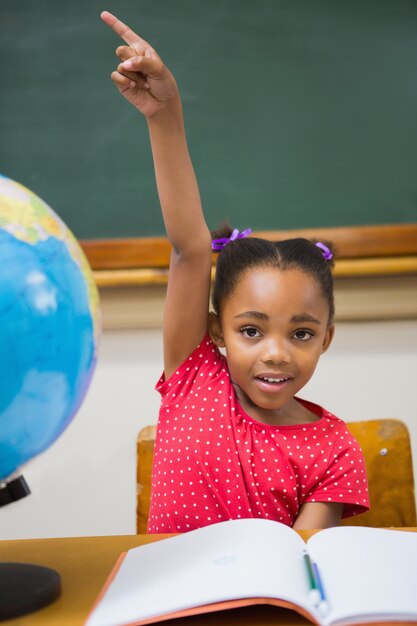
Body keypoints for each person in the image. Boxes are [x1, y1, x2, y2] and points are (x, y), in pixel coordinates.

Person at [101, 11, 369, 532]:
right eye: (250, 330)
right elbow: (189, 248)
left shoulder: (335, 448)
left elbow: (302, 566)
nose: (276, 351)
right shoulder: (193, 375)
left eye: (302, 333)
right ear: (213, 331)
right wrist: (165, 112)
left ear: (326, 338)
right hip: (171, 607)